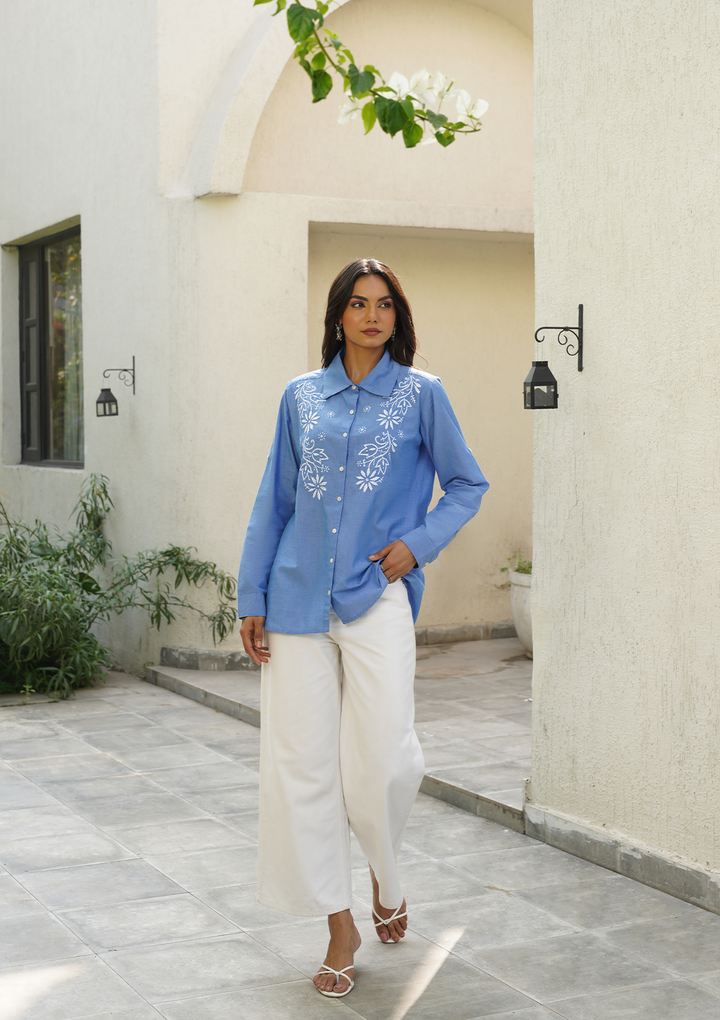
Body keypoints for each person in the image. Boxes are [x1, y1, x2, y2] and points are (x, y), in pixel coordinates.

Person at [237, 258, 488, 998]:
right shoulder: (300, 396)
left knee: (382, 758)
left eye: (383, 305)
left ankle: (386, 871)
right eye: (357, 303)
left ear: (396, 317)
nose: (371, 316)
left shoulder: (422, 394)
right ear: (338, 315)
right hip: (294, 602)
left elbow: (467, 483)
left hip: (375, 595)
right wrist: (252, 593)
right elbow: (274, 500)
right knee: (303, 768)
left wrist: (418, 544)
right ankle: (339, 925)